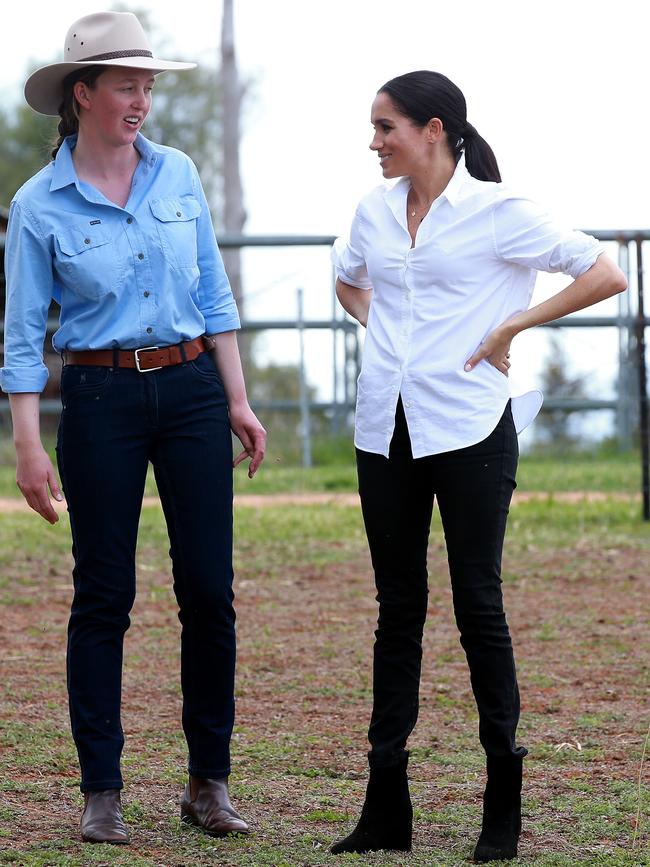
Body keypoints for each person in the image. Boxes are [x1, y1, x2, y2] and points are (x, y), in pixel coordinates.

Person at [330, 70, 626, 862]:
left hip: (470, 428)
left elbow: (605, 269)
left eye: (385, 127)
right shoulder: (373, 211)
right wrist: (391, 329)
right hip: (383, 429)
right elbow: (348, 278)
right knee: (398, 611)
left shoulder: (500, 212)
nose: (374, 142)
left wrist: (512, 327)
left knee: (477, 607)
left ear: (434, 129)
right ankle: (385, 809)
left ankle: (503, 809)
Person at [0, 11, 266, 846]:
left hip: (190, 390)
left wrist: (237, 398)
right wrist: (29, 440)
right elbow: (19, 334)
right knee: (104, 595)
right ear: (83, 94)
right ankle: (101, 791)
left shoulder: (178, 174)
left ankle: (208, 782)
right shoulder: (38, 204)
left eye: (148, 84)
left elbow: (215, 293)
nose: (142, 98)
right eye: (127, 84)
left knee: (208, 592)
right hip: (99, 400)